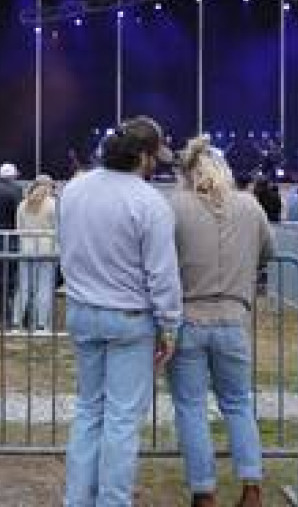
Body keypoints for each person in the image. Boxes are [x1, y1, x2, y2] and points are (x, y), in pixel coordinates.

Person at [59, 116, 182, 506]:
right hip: (129, 317)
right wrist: (170, 325)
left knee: (88, 411)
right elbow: (162, 274)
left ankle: (78, 500)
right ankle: (112, 501)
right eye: (155, 157)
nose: (158, 164)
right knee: (122, 420)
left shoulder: (74, 189)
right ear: (143, 157)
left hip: (82, 309)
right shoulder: (149, 202)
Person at [167, 136, 272, 507]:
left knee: (191, 407)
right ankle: (252, 487)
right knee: (238, 403)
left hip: (188, 318)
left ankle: (204, 491)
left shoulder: (174, 205)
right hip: (233, 317)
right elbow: (268, 251)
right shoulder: (249, 205)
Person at [12, 175, 58, 331]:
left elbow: (17, 228)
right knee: (44, 287)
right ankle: (41, 324)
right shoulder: (53, 205)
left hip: (26, 248)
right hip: (47, 249)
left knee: (23, 286)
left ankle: (16, 322)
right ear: (49, 186)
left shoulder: (23, 204)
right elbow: (58, 228)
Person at [0, 162, 24, 322]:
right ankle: (7, 312)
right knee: (9, 275)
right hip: (10, 237)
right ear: (13, 175)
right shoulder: (16, 190)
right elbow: (18, 214)